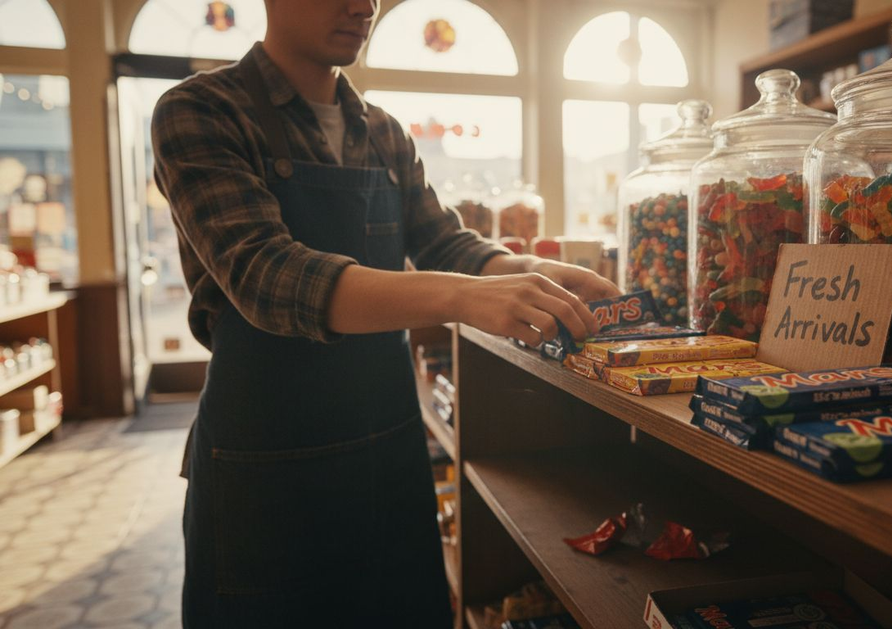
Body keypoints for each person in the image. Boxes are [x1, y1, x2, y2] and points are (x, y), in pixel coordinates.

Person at [151, 0, 619, 626]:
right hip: (266, 460)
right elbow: (265, 275)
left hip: (385, 447)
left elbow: (444, 243)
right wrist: (463, 296)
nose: (364, 6)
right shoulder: (200, 111)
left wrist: (526, 270)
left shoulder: (383, 131)